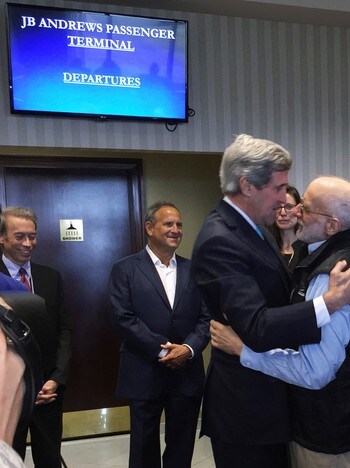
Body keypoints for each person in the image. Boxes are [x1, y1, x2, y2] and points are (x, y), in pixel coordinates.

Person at [190, 134, 350, 468]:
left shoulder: (255, 228)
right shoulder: (221, 239)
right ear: (248, 185)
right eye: (279, 188)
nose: (286, 202)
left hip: (276, 401)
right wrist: (330, 303)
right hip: (246, 410)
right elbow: (258, 326)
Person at [109, 201, 210, 468]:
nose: (176, 229)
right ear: (149, 228)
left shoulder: (195, 270)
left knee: (182, 445)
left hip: (186, 372)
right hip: (143, 369)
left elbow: (206, 318)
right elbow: (123, 318)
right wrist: (164, 349)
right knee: (143, 448)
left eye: (179, 225)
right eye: (169, 224)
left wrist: (187, 350)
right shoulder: (125, 269)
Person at [0, 206, 72, 468]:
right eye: (19, 237)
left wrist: (56, 379)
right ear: (2, 237)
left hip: (48, 393)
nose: (28, 243)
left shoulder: (51, 277)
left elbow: (64, 330)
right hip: (7, 394)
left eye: (32, 236)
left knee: (49, 459)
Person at [269, 185, 303, 269]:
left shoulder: (307, 250)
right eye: (277, 207)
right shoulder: (266, 247)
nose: (283, 213)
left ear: (299, 209)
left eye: (289, 207)